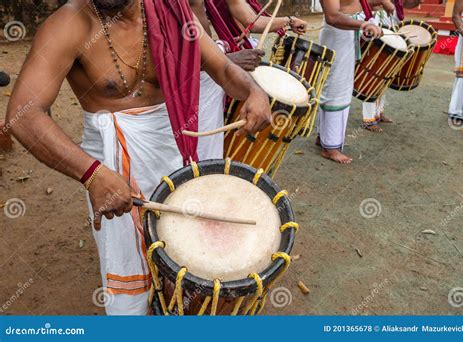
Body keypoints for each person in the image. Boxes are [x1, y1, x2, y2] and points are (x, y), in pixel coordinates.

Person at [6, 0, 271, 315]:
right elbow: (24, 115)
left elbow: (222, 67)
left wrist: (254, 91)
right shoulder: (69, 24)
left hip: (176, 147)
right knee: (127, 278)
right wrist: (92, 174)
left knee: (186, 252)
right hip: (109, 165)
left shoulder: (172, 11)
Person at [189, 0, 266, 160]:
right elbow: (162, 52)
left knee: (206, 156)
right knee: (186, 161)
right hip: (181, 89)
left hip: (206, 77)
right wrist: (226, 58)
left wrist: (220, 51)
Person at [317, 0, 382, 164]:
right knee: (335, 89)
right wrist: (363, 24)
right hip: (337, 33)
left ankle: (324, 137)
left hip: (346, 31)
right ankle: (330, 147)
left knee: (340, 87)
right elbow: (332, 16)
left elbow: (350, 5)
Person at [358, 0, 403, 132]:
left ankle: (379, 112)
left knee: (384, 75)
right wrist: (383, 2)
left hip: (384, 22)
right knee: (372, 75)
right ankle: (368, 119)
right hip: (370, 21)